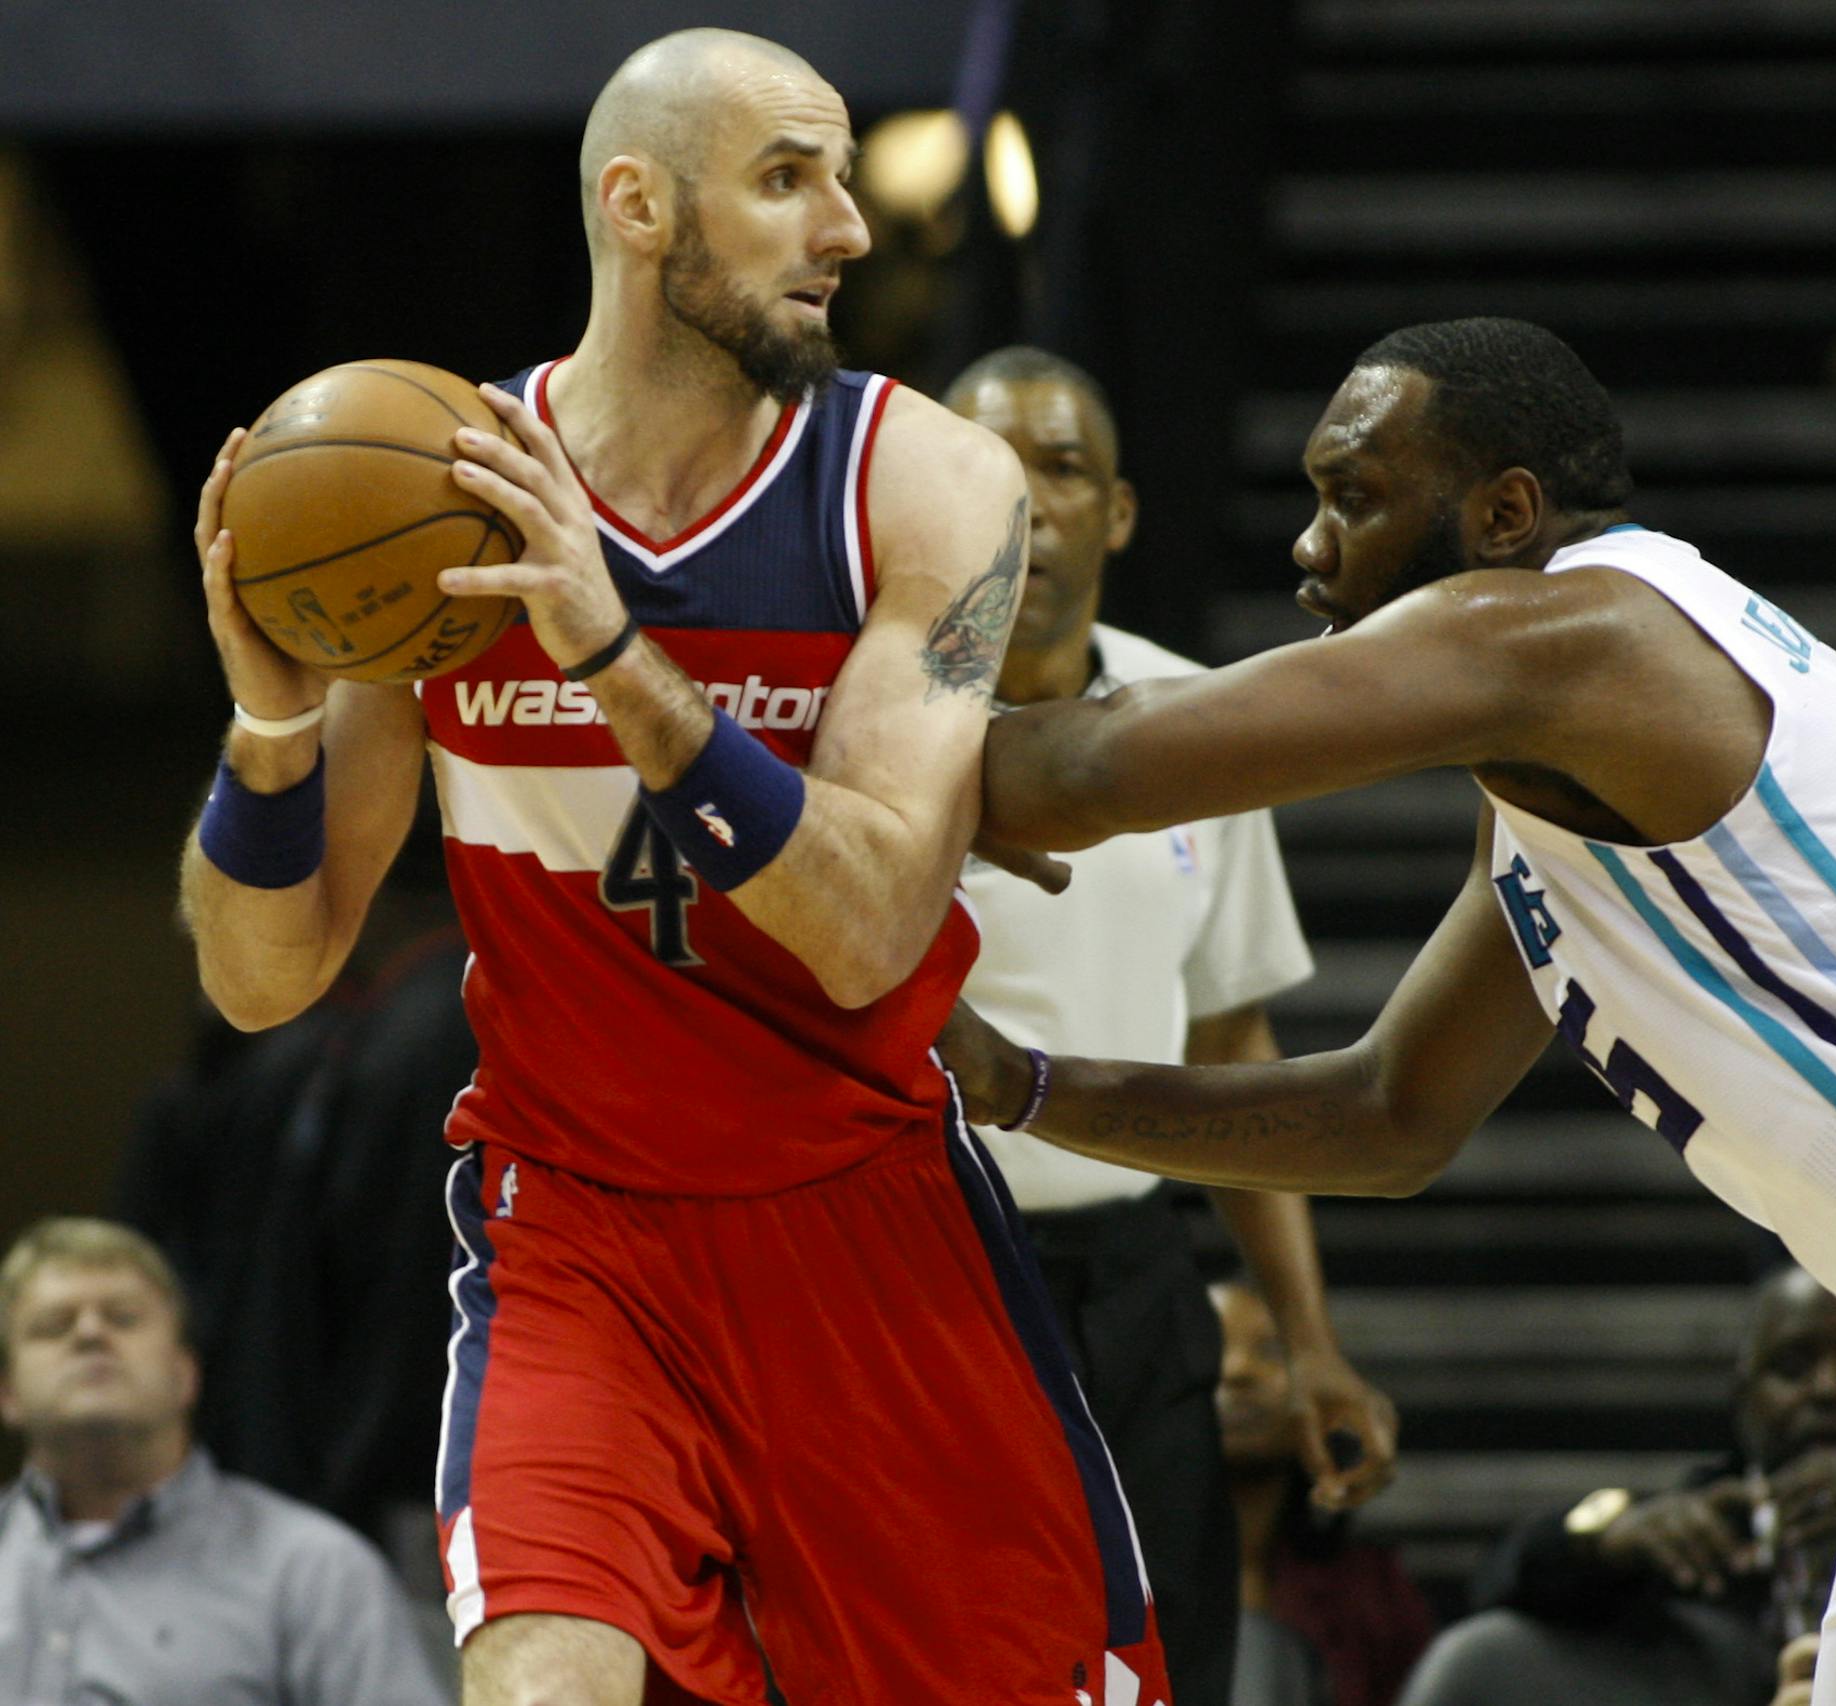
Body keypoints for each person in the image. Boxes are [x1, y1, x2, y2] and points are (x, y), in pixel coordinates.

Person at [938, 315, 1836, 1703]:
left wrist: (782, 755)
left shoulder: (1568, 632)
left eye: (1353, 497)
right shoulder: (1569, 765)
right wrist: (1025, 1085)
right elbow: (1389, 1113)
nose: (1308, 547)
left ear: (1504, 514)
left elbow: (1102, 767)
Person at [178, 28, 1168, 1706]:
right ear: (639, 208)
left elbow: (862, 928)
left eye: (847, 176)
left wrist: (611, 649)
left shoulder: (923, 483)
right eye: (790, 180)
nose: (850, 228)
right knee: (538, 1678)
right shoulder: (441, 493)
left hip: (864, 1226)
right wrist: (270, 731)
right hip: (579, 1230)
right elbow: (260, 974)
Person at [943, 346, 1398, 1706]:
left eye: (1061, 466)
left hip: (1140, 1270)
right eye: (985, 462)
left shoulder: (1197, 720)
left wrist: (1307, 1335)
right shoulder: (853, 712)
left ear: (1121, 513)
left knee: (1165, 1656)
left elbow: (1234, 1042)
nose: (1022, 493)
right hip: (922, 1250)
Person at [0, 1217, 446, 1706]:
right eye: (53, 1326)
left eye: (123, 1318)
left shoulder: (314, 1572)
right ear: (8, 1393)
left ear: (185, 1373)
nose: (89, 1334)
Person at [1469, 1268, 1836, 1696]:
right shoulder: (1700, 1530)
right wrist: (1608, 1538)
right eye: (1792, 1366)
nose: (1829, 1389)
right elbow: (1494, 1590)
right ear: (1743, 1395)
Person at [1211, 1281, 1430, 1706]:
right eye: (1210, 1348)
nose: (1238, 1371)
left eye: (1272, 1352)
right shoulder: (1110, 1574)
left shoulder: (1373, 1594)